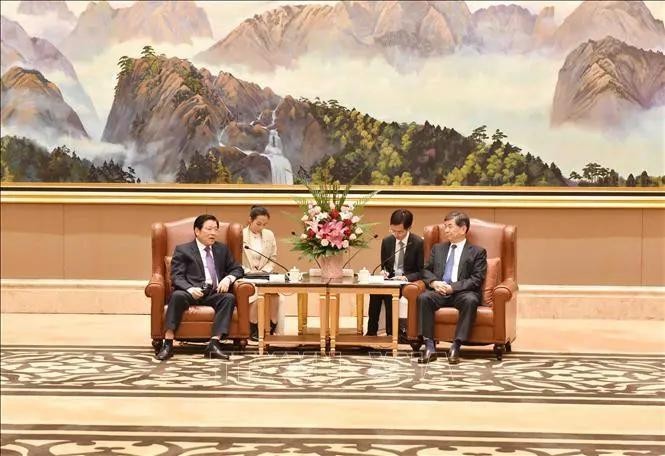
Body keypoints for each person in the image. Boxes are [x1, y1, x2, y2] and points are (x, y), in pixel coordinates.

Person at [155, 214, 244, 361]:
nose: (213, 233)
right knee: (177, 296)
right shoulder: (183, 250)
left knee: (229, 298)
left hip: (214, 293)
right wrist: (189, 289)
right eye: (209, 229)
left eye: (216, 229)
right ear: (197, 231)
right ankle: (168, 343)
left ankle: (214, 344)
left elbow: (237, 269)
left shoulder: (222, 250)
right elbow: (176, 276)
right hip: (191, 292)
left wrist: (228, 279)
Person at [417, 211, 487, 365]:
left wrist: (452, 288)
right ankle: (429, 346)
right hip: (439, 291)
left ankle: (456, 346)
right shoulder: (438, 248)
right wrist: (434, 283)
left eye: (450, 226)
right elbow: (425, 270)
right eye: (445, 227)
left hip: (461, 292)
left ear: (463, 229)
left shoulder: (477, 252)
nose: (446, 230)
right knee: (424, 298)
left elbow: (476, 279)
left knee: (471, 300)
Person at [366, 209, 423, 342]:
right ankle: (371, 332)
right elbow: (384, 265)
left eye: (400, 232)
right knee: (375, 292)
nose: (396, 234)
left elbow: (422, 271)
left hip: (407, 282)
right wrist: (384, 272)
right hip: (390, 280)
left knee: (390, 294)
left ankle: (392, 334)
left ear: (409, 228)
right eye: (393, 230)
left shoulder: (417, 242)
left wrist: (406, 277)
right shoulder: (387, 241)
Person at [242, 205, 281, 340]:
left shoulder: (269, 235)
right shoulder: (241, 235)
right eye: (258, 224)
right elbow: (234, 259)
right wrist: (248, 271)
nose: (261, 227)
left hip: (264, 274)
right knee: (258, 292)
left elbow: (273, 258)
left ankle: (271, 326)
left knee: (275, 293)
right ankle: (254, 328)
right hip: (246, 275)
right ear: (250, 220)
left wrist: (265, 270)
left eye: (264, 224)